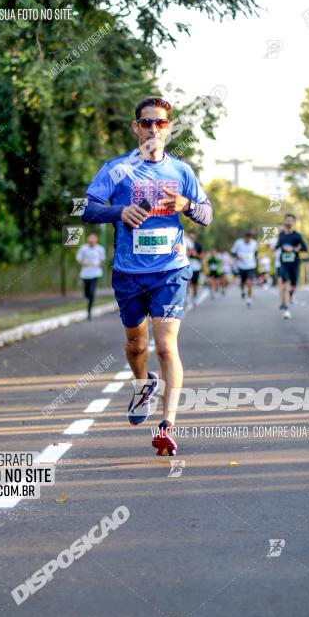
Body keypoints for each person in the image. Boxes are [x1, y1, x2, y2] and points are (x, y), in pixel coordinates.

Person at [82, 96, 213, 456]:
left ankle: (168, 425)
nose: (153, 128)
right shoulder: (117, 169)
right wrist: (119, 211)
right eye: (146, 122)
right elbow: (87, 209)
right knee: (136, 345)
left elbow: (207, 213)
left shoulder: (181, 172)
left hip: (170, 270)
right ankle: (142, 386)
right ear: (135, 127)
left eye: (160, 122)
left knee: (166, 346)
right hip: (128, 272)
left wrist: (186, 206)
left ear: (169, 128)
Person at [272, 213, 308, 319]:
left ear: (293, 222)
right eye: (287, 220)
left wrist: (294, 249)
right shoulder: (281, 235)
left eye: (291, 220)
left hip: (294, 264)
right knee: (286, 285)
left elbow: (305, 248)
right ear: (284, 221)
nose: (289, 222)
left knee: (293, 286)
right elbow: (277, 246)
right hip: (284, 264)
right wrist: (274, 249)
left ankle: (291, 296)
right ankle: (286, 310)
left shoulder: (297, 236)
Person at [76, 233, 105, 320]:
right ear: (88, 240)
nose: (92, 241)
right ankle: (88, 299)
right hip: (85, 273)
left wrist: (98, 264)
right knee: (87, 292)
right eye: (90, 239)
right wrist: (84, 264)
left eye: (93, 239)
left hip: (95, 273)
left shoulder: (100, 249)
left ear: (96, 240)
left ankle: (89, 311)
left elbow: (102, 260)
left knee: (92, 292)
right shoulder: (83, 248)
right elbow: (78, 260)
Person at [231, 231, 258, 307]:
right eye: (247, 238)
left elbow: (256, 253)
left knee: (249, 282)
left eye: (249, 238)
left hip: (251, 266)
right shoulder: (238, 243)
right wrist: (238, 257)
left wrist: (254, 260)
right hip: (241, 266)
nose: (248, 239)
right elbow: (233, 252)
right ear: (244, 237)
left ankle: (249, 298)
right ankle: (243, 291)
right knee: (242, 282)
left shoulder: (254, 243)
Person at [185, 230, 204, 306]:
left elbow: (202, 256)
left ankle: (195, 297)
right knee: (187, 282)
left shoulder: (198, 245)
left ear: (195, 237)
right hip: (187, 265)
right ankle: (187, 297)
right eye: (190, 237)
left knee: (195, 284)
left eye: (193, 237)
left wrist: (196, 254)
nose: (191, 238)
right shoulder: (185, 244)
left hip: (196, 267)